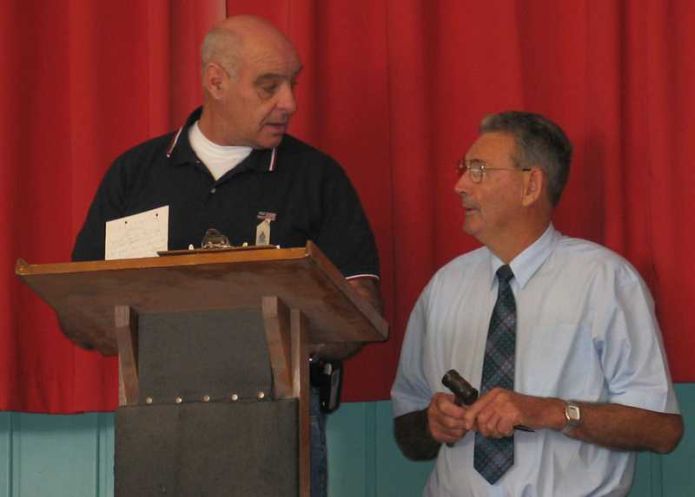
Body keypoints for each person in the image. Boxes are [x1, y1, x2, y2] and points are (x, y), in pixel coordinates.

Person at [72, 15, 382, 497]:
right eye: (269, 86)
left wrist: (275, 334)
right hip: (155, 419)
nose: (290, 103)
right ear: (216, 81)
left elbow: (361, 312)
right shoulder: (136, 174)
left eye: (292, 84)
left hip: (280, 419)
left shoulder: (317, 177)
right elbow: (79, 308)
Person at [390, 111, 683, 496]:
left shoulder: (605, 280)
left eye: (479, 170)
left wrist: (552, 412)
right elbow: (408, 430)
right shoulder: (444, 286)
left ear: (531, 185)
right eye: (464, 170)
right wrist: (432, 423)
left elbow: (662, 430)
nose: (460, 186)